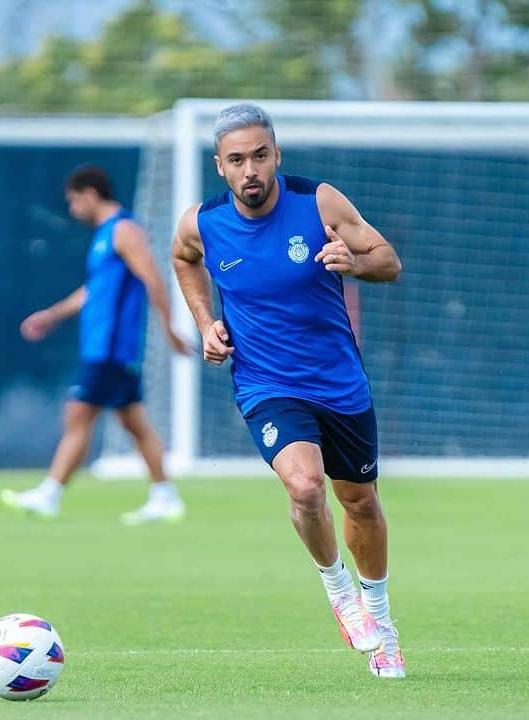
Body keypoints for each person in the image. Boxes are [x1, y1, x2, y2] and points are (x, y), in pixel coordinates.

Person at [171, 104, 406, 678]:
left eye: (259, 155)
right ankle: (339, 592)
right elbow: (183, 260)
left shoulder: (317, 202)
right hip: (266, 384)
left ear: (276, 156)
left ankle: (381, 620)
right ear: (220, 167)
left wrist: (353, 262)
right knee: (304, 487)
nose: (250, 169)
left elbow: (389, 261)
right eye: (237, 160)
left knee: (361, 504)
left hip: (339, 384)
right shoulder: (201, 223)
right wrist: (205, 322)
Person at [2, 165, 190, 525]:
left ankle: (50, 493)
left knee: (78, 414)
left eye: (73, 202)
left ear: (89, 195)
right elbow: (94, 292)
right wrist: (52, 314)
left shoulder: (124, 230)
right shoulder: (105, 235)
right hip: (102, 347)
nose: (72, 210)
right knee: (134, 423)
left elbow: (153, 278)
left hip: (111, 348)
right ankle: (165, 495)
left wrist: (169, 329)